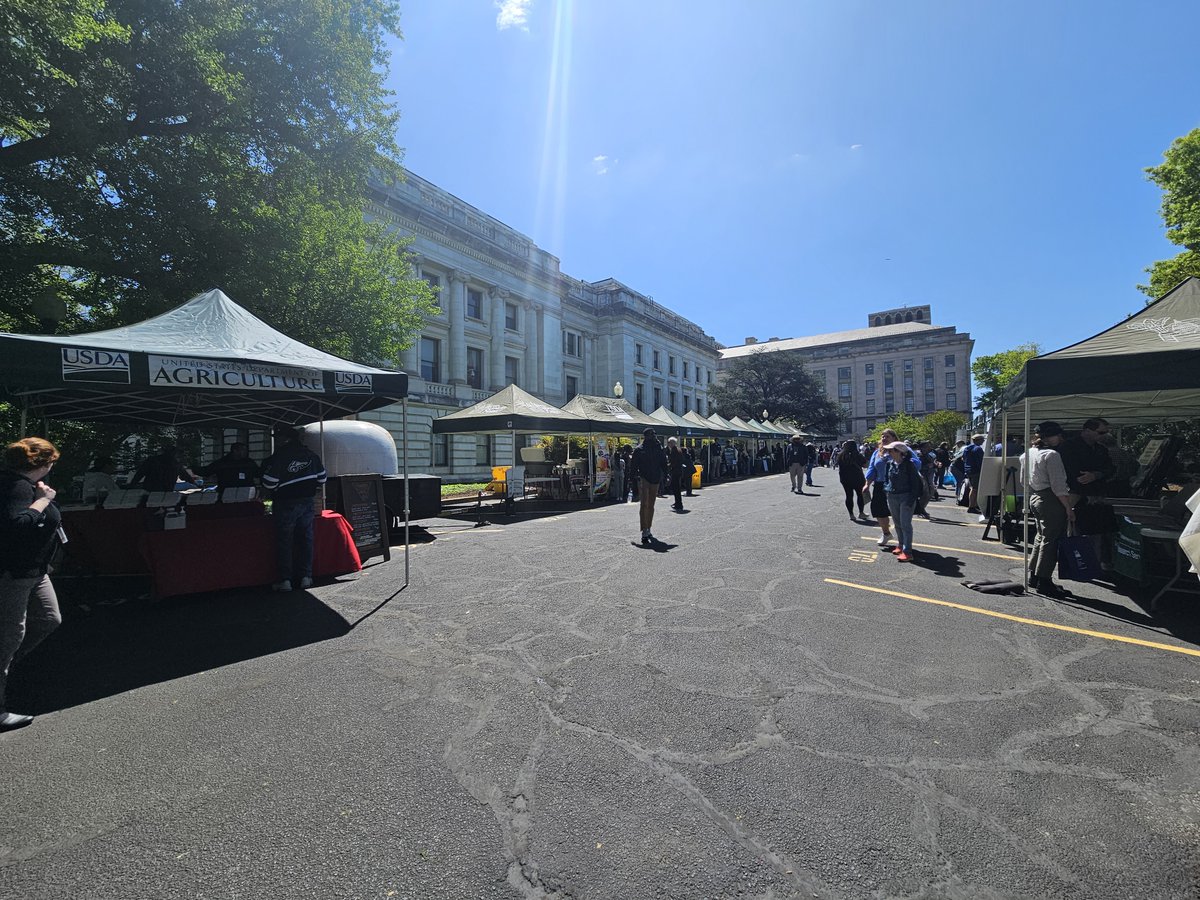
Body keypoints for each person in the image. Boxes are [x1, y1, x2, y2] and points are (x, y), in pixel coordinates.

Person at [1, 437, 64, 732]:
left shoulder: (26, 485)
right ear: (43, 464)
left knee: (49, 619)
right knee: (9, 635)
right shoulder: (17, 487)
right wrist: (44, 501)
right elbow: (17, 525)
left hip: (35, 570)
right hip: (15, 573)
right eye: (51, 461)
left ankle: (8, 667)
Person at [260, 425, 327, 592]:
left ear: (285, 439)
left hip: (286, 502)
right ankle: (306, 577)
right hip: (307, 502)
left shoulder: (281, 456)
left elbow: (269, 482)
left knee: (285, 541)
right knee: (306, 540)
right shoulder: (311, 455)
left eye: (278, 438)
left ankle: (286, 580)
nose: (276, 441)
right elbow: (322, 479)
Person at [1020, 422, 1075, 598]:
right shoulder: (1051, 455)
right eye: (1058, 435)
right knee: (1051, 539)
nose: (1060, 438)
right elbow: (1058, 485)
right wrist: (1068, 507)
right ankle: (1044, 580)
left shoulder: (1026, 454)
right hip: (1050, 498)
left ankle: (1034, 575)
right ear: (1051, 436)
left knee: (1040, 536)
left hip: (1034, 496)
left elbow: (1023, 481)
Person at [883, 441, 922, 562]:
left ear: (900, 452)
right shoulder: (890, 464)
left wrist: (912, 499)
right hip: (892, 496)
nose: (888, 452)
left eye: (891, 450)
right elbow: (886, 479)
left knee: (905, 524)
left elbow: (916, 483)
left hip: (906, 496)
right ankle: (900, 545)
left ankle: (908, 552)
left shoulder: (909, 465)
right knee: (898, 523)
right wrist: (886, 489)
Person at [628, 427, 667, 546]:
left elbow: (663, 462)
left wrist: (666, 474)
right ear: (646, 436)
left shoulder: (658, 448)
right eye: (652, 435)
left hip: (655, 479)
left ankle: (648, 527)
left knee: (651, 505)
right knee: (644, 504)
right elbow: (633, 466)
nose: (654, 437)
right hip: (644, 478)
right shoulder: (639, 450)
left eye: (654, 435)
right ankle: (644, 530)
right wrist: (632, 479)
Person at [863, 428, 900, 547]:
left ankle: (903, 541)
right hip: (880, 484)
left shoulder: (901, 449)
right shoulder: (877, 452)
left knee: (897, 513)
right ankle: (886, 533)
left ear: (894, 438)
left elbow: (915, 463)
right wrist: (867, 484)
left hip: (896, 485)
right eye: (882, 436)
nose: (884, 438)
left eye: (887, 436)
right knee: (878, 510)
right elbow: (872, 469)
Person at [131, 444, 197, 492]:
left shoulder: (152, 460)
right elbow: (186, 476)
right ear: (174, 453)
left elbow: (139, 474)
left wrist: (132, 485)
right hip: (166, 493)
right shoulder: (176, 464)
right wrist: (195, 484)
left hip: (150, 491)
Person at [836, 439, 867, 520]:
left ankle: (851, 514)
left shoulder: (841, 455)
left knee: (849, 496)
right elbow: (865, 465)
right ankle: (861, 513)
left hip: (845, 478)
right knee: (860, 495)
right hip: (857, 477)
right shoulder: (857, 455)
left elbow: (838, 464)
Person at [962, 434, 985, 513]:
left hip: (968, 470)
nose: (983, 441)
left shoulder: (967, 448)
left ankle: (972, 505)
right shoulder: (978, 449)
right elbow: (981, 461)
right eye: (982, 439)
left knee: (973, 488)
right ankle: (972, 506)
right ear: (978, 440)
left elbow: (964, 458)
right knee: (975, 489)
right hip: (976, 470)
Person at [666, 436, 685, 511]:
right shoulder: (678, 449)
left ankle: (678, 504)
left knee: (676, 488)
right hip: (679, 470)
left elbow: (674, 461)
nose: (668, 444)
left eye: (669, 443)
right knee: (677, 488)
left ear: (672, 443)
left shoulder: (674, 450)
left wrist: (669, 466)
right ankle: (677, 502)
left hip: (676, 471)